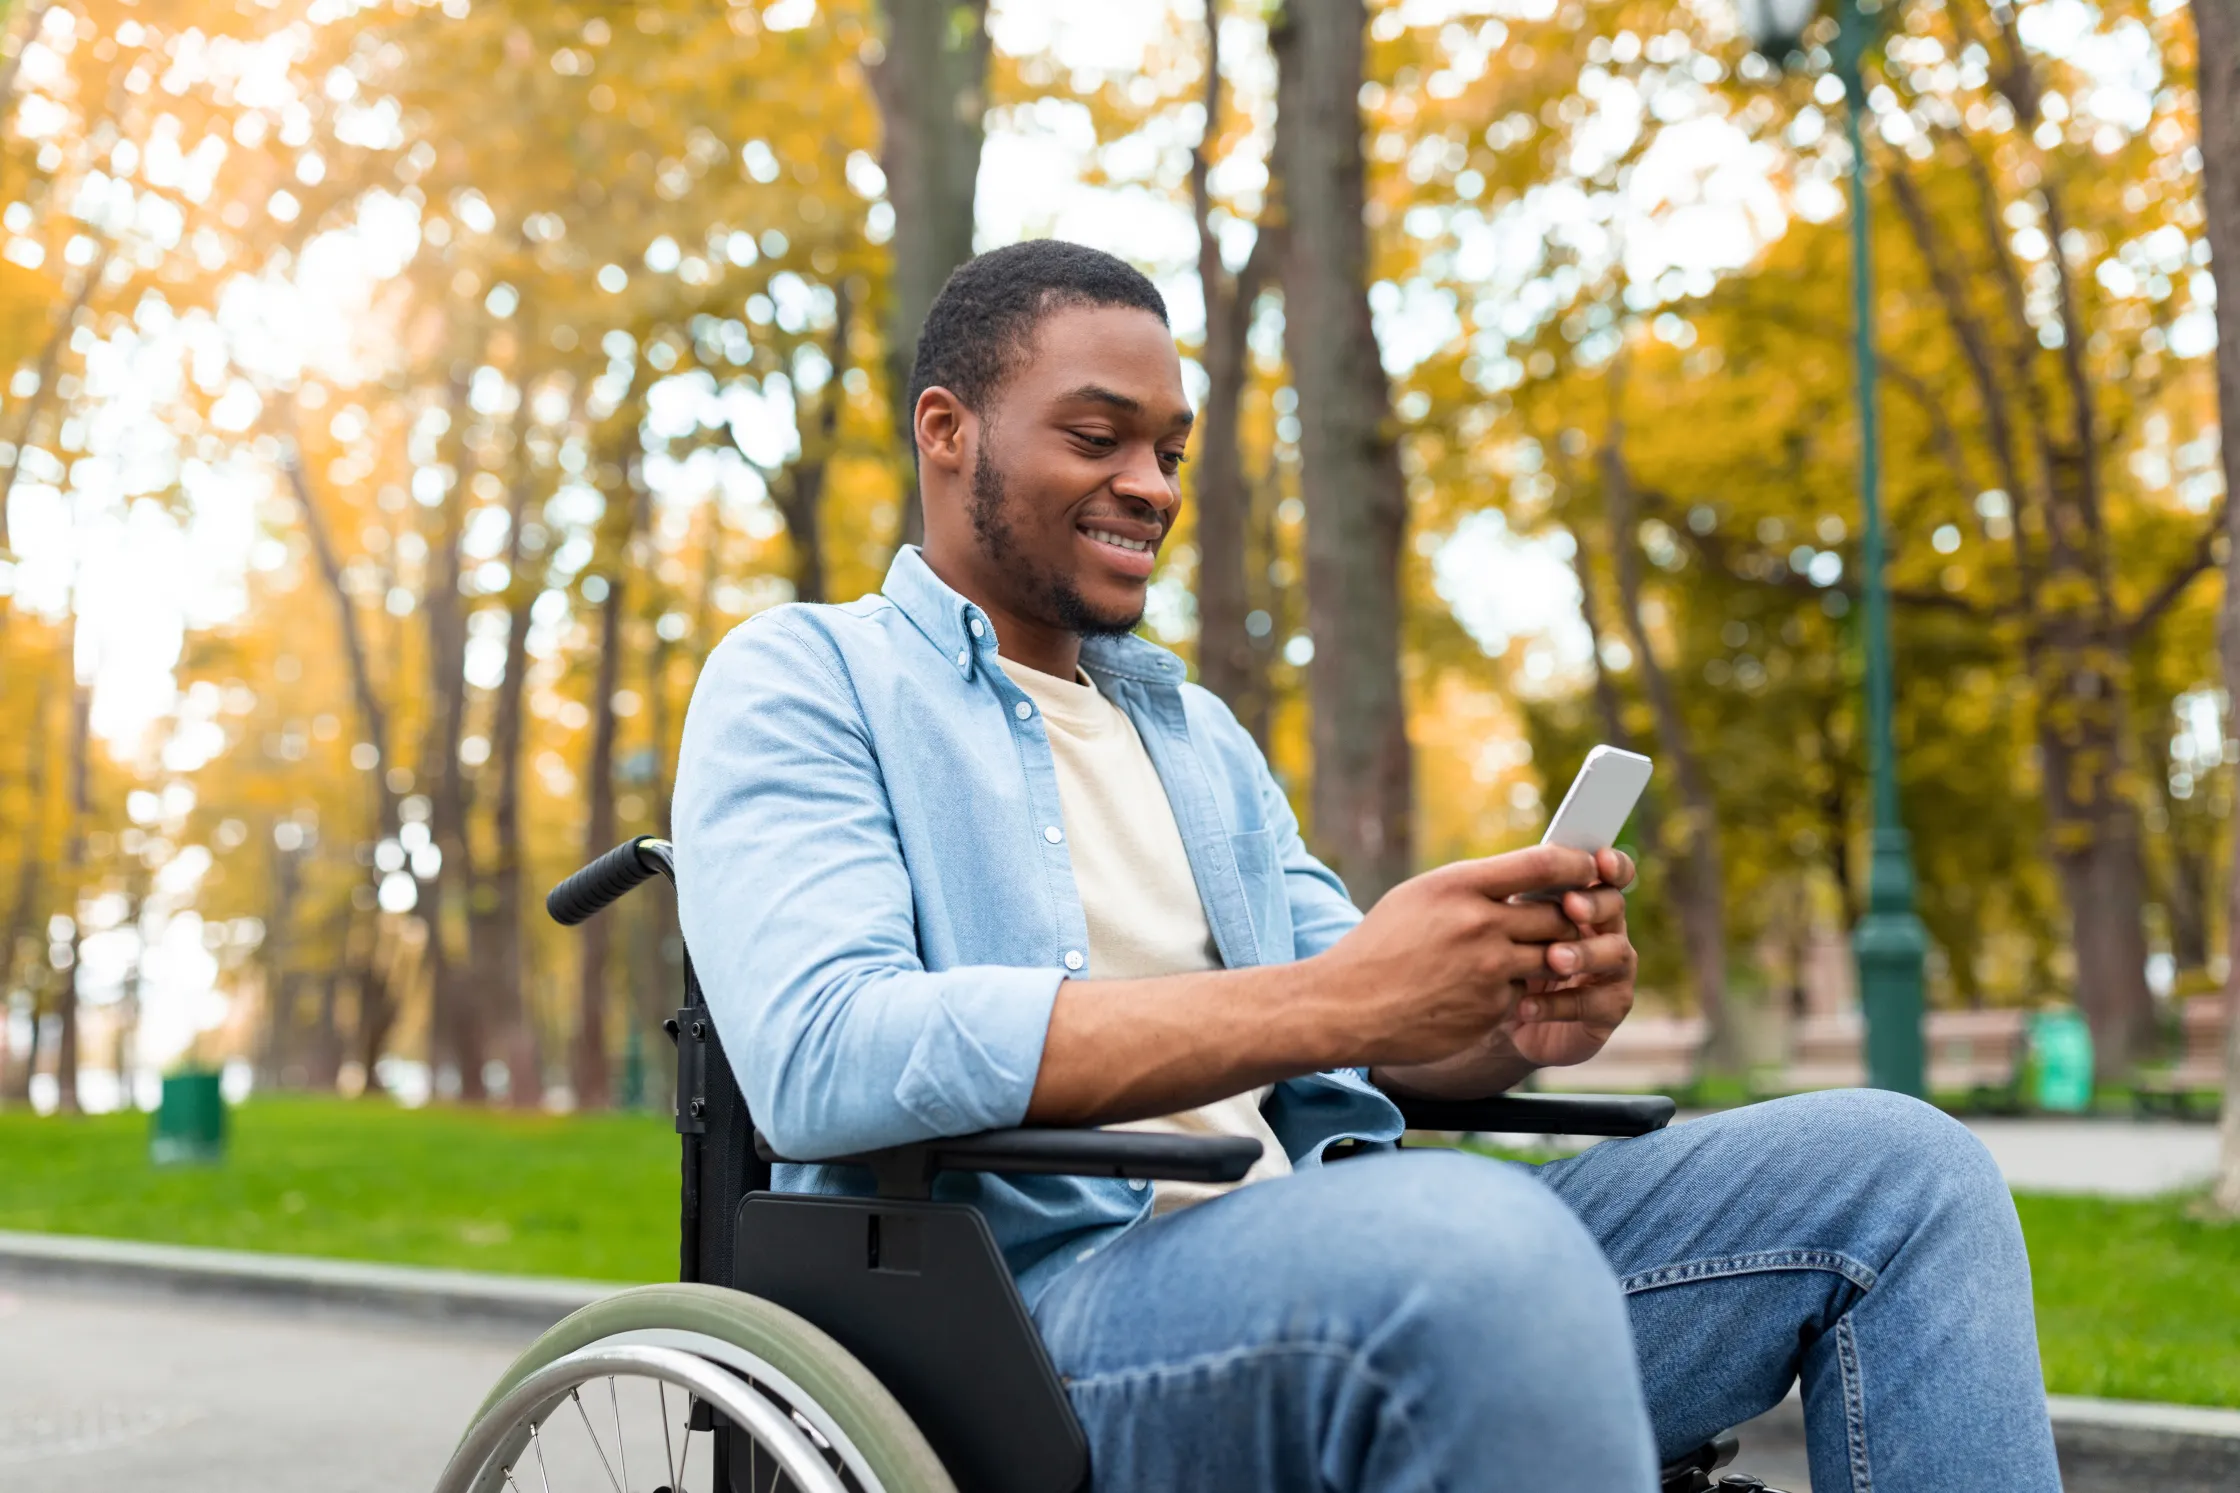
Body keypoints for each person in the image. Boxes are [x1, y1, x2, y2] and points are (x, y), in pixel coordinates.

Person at [672, 240, 2059, 1493]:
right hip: (1031, 1319)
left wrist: (1504, 1010)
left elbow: (1369, 1031)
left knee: (1904, 1174)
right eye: (1098, 438)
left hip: (1351, 1240)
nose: (1150, 486)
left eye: (1169, 450)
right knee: (1457, 1244)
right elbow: (826, 1053)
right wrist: (1340, 1000)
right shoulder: (807, 678)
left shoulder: (1196, 737)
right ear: (946, 430)